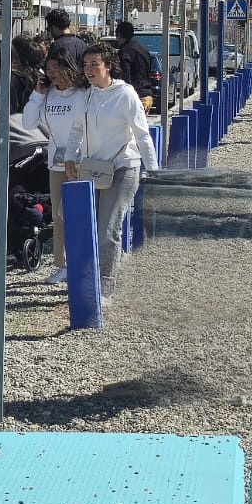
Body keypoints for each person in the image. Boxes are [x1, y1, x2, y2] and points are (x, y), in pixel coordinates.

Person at [69, 41, 153, 309]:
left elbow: (142, 135)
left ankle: (105, 285)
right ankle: (106, 269)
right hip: (94, 168)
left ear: (108, 66)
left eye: (95, 64)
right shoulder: (85, 95)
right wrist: (70, 157)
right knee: (92, 227)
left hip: (123, 167)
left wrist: (153, 172)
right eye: (86, 65)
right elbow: (75, 132)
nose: (89, 69)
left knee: (108, 229)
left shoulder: (125, 94)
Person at [23, 47, 88, 285]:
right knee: (59, 217)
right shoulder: (48, 94)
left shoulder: (81, 94)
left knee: (76, 214)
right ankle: (63, 264)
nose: (52, 74)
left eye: (56, 68)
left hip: (80, 162)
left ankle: (83, 262)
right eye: (48, 69)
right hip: (56, 163)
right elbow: (29, 122)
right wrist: (38, 94)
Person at [113, 20, 156, 95]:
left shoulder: (125, 51)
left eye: (116, 36)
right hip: (147, 93)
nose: (116, 40)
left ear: (119, 34)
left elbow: (125, 74)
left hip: (135, 94)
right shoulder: (143, 48)